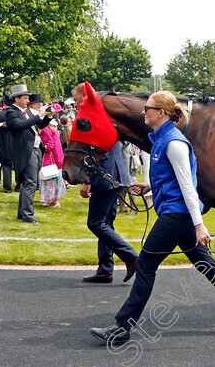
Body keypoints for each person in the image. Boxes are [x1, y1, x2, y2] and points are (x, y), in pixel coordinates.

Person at [90, 91, 215, 344]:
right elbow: (173, 180)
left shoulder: (174, 143)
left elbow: (188, 186)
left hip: (178, 215)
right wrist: (149, 186)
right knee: (205, 263)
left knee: (144, 265)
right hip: (177, 213)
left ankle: (122, 326)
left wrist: (199, 225)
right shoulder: (162, 139)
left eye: (148, 108)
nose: (143, 112)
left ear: (161, 113)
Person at [70, 84, 138, 283]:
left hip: (104, 177)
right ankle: (105, 269)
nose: (74, 104)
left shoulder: (92, 119)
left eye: (75, 100)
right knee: (106, 224)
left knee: (96, 223)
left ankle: (131, 257)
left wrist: (87, 181)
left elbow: (96, 153)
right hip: (117, 175)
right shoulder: (104, 115)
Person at [4, 84, 51, 224]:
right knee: (30, 182)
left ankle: (22, 213)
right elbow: (20, 126)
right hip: (26, 150)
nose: (27, 100)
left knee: (29, 182)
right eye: (25, 98)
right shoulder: (11, 112)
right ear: (16, 99)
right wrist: (39, 115)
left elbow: (39, 125)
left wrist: (48, 116)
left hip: (35, 149)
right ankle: (28, 215)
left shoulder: (27, 112)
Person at [39, 118, 66, 209]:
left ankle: (54, 201)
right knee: (55, 180)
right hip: (57, 157)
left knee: (49, 180)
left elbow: (49, 146)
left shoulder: (46, 130)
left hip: (50, 158)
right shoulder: (55, 130)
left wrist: (41, 148)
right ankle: (52, 200)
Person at [0, 97, 16, 193]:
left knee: (6, 166)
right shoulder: (16, 114)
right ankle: (19, 185)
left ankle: (7, 188)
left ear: (4, 104)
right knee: (18, 165)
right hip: (16, 142)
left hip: (4, 142)